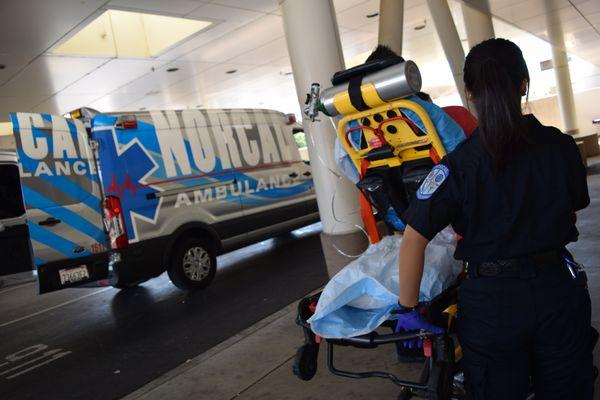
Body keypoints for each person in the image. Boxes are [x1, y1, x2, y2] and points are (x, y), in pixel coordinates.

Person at [393, 38, 593, 399]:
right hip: (557, 293)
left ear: (470, 94)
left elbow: (413, 238)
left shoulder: (458, 165)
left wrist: (408, 310)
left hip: (492, 306)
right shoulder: (561, 147)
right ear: (523, 85)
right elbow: (573, 207)